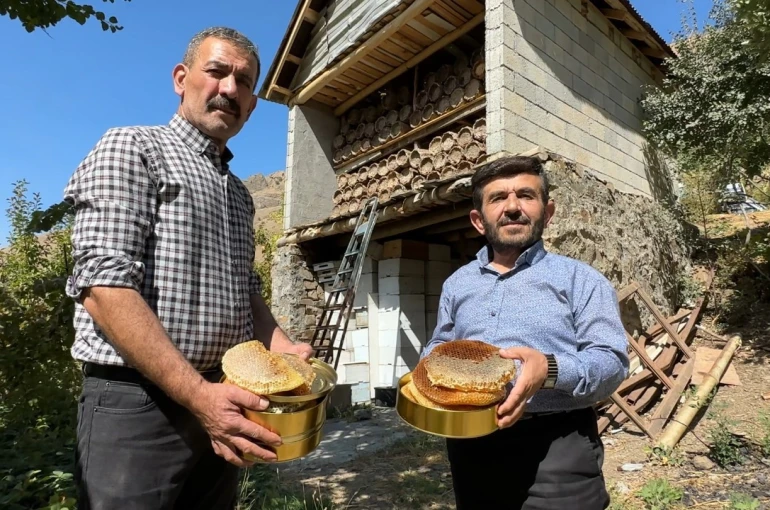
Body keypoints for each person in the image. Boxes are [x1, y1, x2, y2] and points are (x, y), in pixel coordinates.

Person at [63, 27, 313, 510]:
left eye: (243, 82)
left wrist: (281, 346)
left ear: (253, 104)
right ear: (181, 78)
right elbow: (102, 286)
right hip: (137, 406)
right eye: (216, 72)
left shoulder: (239, 194)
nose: (229, 89)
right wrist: (200, 397)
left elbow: (245, 290)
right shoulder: (133, 148)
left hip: (222, 398)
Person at [423, 155, 629, 509]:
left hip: (559, 448)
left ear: (547, 212)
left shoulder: (581, 280)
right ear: (478, 219)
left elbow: (611, 362)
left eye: (526, 195)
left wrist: (548, 370)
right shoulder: (457, 284)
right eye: (498, 197)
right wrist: (430, 368)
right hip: (471, 443)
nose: (512, 207)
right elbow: (441, 343)